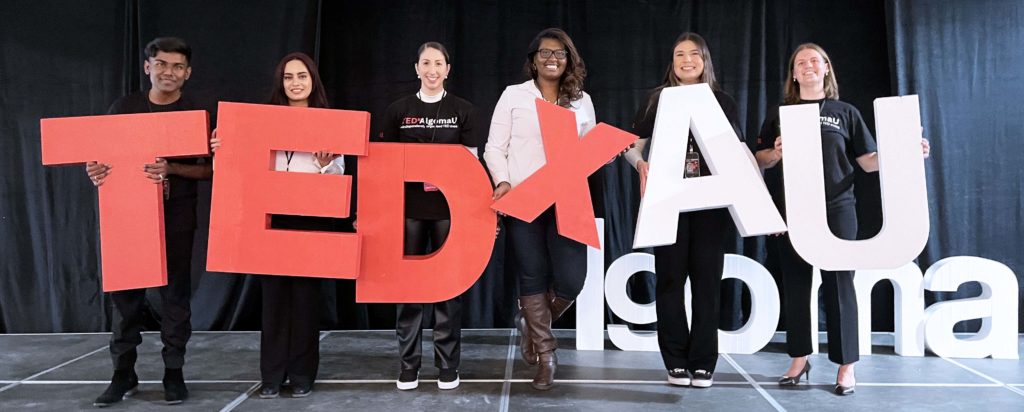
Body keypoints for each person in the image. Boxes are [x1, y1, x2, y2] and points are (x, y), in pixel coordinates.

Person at [754, 43, 930, 395]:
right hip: (793, 210)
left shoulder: (844, 112)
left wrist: (906, 153)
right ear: (793, 73)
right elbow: (759, 160)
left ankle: (846, 366)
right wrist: (774, 151)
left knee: (839, 286)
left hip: (838, 209)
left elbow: (867, 162)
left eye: (815, 61)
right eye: (800, 62)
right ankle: (799, 359)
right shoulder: (781, 113)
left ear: (826, 69)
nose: (808, 66)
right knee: (797, 285)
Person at [210, 52, 344, 399]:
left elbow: (338, 176)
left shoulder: (328, 121)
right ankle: (271, 376)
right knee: (273, 300)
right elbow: (239, 165)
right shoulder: (261, 120)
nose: (295, 82)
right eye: (288, 77)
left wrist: (324, 164)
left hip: (309, 216)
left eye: (302, 75)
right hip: (269, 217)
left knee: (304, 300)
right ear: (280, 83)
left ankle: (301, 375)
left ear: (313, 80)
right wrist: (221, 148)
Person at [87, 37, 213, 407]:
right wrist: (94, 168)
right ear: (148, 67)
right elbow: (98, 158)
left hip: (176, 218)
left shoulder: (197, 114)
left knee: (175, 298)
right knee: (125, 300)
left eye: (176, 67)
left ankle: (173, 372)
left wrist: (171, 167)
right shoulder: (124, 108)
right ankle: (122, 373)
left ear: (187, 73)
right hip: (127, 217)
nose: (168, 72)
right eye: (161, 64)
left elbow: (214, 169)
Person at [624, 32, 742, 389]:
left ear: (705, 60)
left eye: (694, 54)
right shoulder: (658, 99)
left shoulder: (721, 100)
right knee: (671, 281)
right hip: (669, 200)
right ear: (672, 63)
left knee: (707, 283)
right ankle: (675, 360)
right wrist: (640, 164)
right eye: (679, 55)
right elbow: (632, 145)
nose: (686, 60)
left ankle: (704, 362)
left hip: (709, 202)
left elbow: (735, 149)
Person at [483, 27, 595, 391]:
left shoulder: (582, 101)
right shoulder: (514, 96)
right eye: (545, 52)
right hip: (524, 198)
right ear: (533, 59)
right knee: (531, 276)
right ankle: (546, 356)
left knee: (572, 279)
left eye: (560, 53)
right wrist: (501, 181)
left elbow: (589, 151)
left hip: (567, 197)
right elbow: (494, 147)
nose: (552, 58)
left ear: (569, 60)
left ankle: (531, 323)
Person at [376, 42, 479, 391]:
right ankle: (409, 365)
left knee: (449, 289)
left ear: (448, 69)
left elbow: (473, 168)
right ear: (415, 68)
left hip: (450, 213)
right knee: (408, 290)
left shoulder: (463, 111)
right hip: (407, 213)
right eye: (425, 63)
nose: (432, 69)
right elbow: (382, 166)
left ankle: (448, 365)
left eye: (438, 63)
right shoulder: (397, 111)